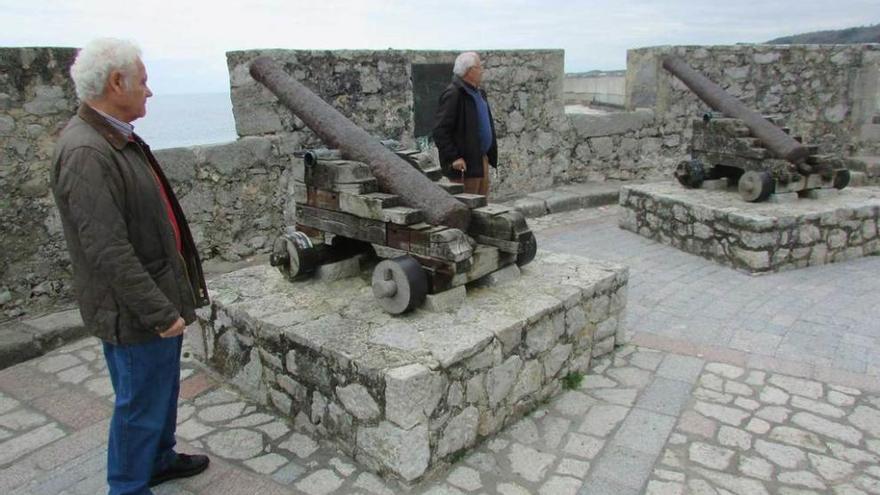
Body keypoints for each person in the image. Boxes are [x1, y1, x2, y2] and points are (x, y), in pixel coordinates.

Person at [51, 38, 211, 495]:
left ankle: (157, 459)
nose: (150, 91)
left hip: (155, 295)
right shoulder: (88, 151)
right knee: (138, 404)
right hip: (137, 309)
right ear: (117, 82)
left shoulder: (112, 137)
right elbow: (106, 249)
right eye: (143, 81)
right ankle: (126, 486)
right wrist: (160, 313)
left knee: (157, 393)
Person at [433, 51, 498, 196]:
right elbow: (440, 130)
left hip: (481, 160)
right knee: (469, 208)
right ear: (469, 71)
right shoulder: (454, 94)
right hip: (465, 165)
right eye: (479, 67)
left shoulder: (479, 93)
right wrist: (453, 157)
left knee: (483, 206)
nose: (482, 71)